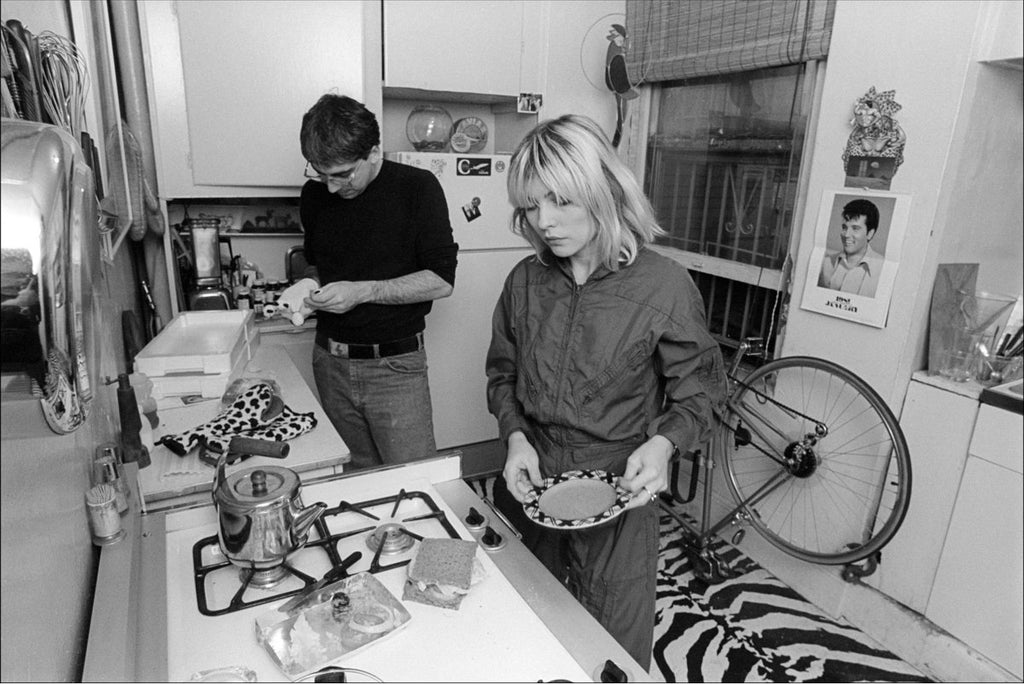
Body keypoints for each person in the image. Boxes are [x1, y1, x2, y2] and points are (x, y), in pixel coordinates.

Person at [485, 114, 726, 669]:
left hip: (619, 490)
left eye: (560, 202)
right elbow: (502, 377)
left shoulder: (662, 285)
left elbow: (703, 392)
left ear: (604, 194)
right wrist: (516, 438)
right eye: (529, 206)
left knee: (611, 653)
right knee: (530, 632)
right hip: (534, 484)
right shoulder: (525, 281)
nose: (543, 221)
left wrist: (665, 444)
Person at [296, 93, 458, 470]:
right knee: (355, 483)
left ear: (373, 152)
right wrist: (307, 287)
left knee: (416, 483)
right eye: (322, 174)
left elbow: (441, 281)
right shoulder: (314, 195)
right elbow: (317, 264)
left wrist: (363, 291)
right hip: (329, 363)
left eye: (342, 174)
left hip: (395, 368)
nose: (332, 187)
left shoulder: (418, 188)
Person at [817, 198, 883, 297]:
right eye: (844, 227)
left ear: (870, 233)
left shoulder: (883, 269)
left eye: (855, 228)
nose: (846, 234)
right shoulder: (826, 263)